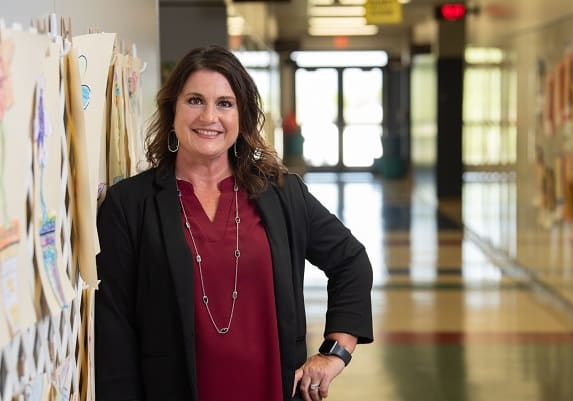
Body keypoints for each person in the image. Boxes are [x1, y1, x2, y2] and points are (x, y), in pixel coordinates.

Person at [94, 45, 374, 401]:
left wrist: (336, 352)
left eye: (224, 103)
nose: (209, 116)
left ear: (242, 116)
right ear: (172, 109)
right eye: (195, 100)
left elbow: (351, 261)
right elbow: (114, 330)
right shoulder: (130, 205)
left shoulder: (281, 195)